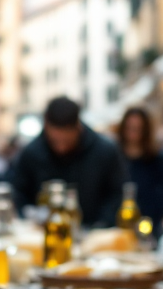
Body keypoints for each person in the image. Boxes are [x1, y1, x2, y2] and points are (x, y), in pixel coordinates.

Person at [12, 96, 128, 227]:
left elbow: (117, 193)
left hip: (93, 232)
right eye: (55, 141)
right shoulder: (31, 153)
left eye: (66, 141)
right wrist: (30, 217)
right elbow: (19, 193)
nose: (61, 147)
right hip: (44, 234)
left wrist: (101, 224)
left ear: (78, 127)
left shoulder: (105, 151)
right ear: (46, 125)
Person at [118, 107, 163, 236]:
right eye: (130, 127)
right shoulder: (115, 157)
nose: (133, 133)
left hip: (151, 222)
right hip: (120, 224)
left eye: (137, 128)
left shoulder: (158, 158)